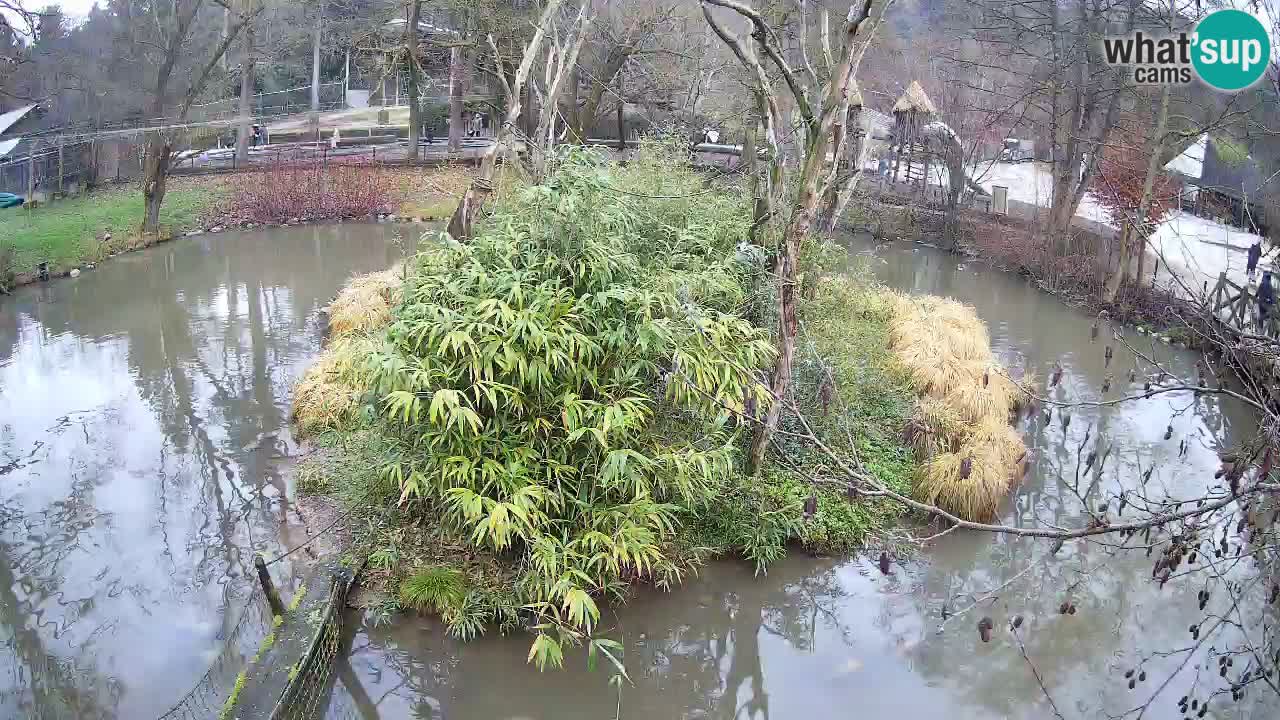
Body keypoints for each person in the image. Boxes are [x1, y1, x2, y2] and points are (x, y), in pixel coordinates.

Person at [1257, 270, 1275, 335]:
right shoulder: (1270, 286)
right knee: (1265, 316)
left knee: (1261, 316)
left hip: (1261, 302)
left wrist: (1256, 296)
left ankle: (1261, 330)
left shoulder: (1262, 284)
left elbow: (1258, 291)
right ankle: (1264, 331)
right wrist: (1272, 303)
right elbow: (1272, 295)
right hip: (1267, 304)